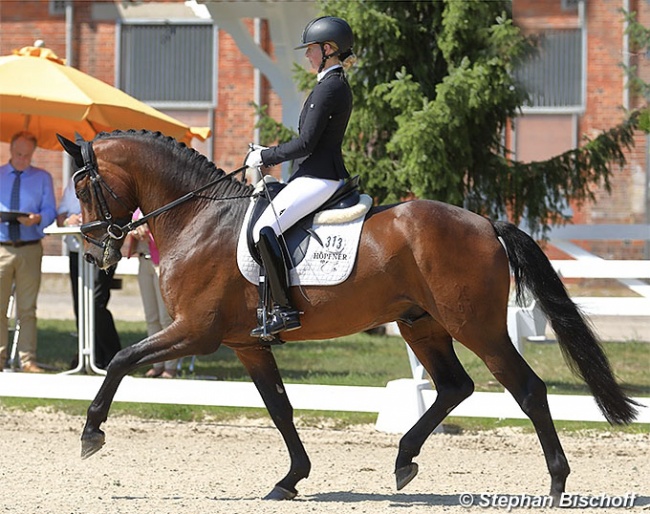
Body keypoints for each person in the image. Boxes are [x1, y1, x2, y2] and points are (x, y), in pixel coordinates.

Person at [245, 16, 355, 339]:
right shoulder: (330, 85)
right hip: (317, 174)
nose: (307, 56)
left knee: (265, 228)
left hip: (319, 177)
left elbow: (306, 143)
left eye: (311, 49)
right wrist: (268, 151)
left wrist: (265, 156)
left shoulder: (330, 88)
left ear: (328, 49)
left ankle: (285, 310)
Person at [0, 131, 57, 372]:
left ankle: (27, 360)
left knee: (27, 308)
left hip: (30, 249)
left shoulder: (43, 177)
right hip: (1, 248)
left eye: (27, 155)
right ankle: (0, 358)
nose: (22, 158)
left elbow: (51, 210)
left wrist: (38, 219)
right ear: (11, 150)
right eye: (18, 153)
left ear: (33, 153)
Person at [57, 178, 122, 370]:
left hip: (100, 250)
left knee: (96, 302)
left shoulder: (107, 181)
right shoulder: (72, 183)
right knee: (80, 304)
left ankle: (112, 355)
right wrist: (69, 220)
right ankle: (89, 356)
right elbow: (61, 217)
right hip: (76, 250)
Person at [125, 209, 177, 378]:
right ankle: (156, 363)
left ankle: (170, 365)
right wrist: (135, 231)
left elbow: (169, 231)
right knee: (151, 317)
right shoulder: (138, 207)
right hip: (143, 261)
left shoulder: (159, 203)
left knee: (165, 318)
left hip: (160, 262)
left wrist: (149, 233)